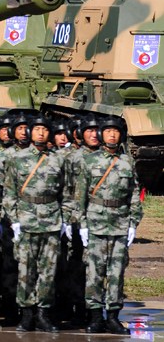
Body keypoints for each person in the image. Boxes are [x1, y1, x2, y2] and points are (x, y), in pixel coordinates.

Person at [75, 115, 142, 335]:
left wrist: (133, 222)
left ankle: (113, 316)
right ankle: (95, 316)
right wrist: (82, 224)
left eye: (115, 131)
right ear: (101, 134)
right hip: (95, 222)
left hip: (120, 223)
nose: (112, 135)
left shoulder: (127, 162)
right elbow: (80, 195)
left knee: (116, 272)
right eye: (107, 131)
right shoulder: (89, 161)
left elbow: (134, 193)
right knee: (94, 272)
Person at [3, 114, 69, 333]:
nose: (41, 133)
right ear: (30, 133)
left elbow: (67, 192)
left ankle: (43, 313)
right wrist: (14, 221)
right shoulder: (17, 158)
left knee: (48, 270)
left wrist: (65, 219)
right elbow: (9, 192)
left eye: (45, 130)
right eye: (37, 129)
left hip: (51, 220)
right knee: (25, 269)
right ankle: (26, 313)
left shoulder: (58, 159)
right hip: (26, 219)